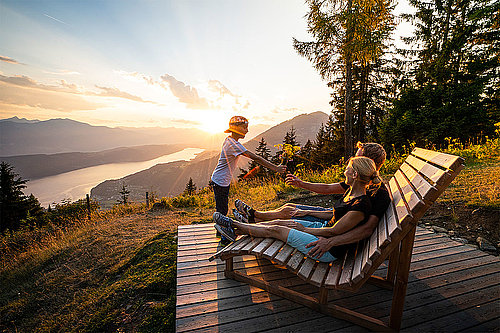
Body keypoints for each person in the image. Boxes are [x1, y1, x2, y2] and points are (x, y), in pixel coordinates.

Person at [232, 142, 391, 259]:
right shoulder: (360, 184)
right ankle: (252, 219)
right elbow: (329, 190)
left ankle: (247, 221)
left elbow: (365, 230)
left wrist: (332, 242)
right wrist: (301, 184)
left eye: (357, 157)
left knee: (287, 217)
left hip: (335, 237)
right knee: (289, 208)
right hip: (335, 221)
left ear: (366, 162)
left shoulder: (377, 194)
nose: (352, 159)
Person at [210, 116, 286, 242]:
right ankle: (224, 238)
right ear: (236, 128)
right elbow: (256, 158)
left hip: (220, 180)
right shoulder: (234, 145)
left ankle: (220, 232)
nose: (247, 130)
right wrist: (275, 168)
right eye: (244, 127)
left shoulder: (229, 140)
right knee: (222, 210)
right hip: (220, 181)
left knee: (221, 208)